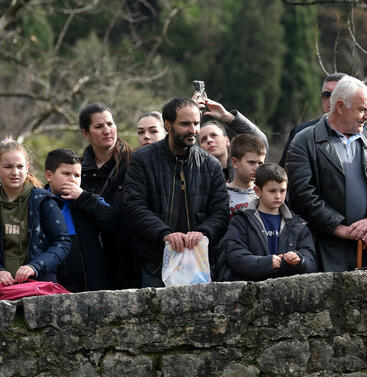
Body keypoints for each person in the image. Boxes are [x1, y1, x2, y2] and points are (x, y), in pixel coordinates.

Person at [286, 75, 367, 271]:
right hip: (321, 250)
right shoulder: (304, 140)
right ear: (339, 107)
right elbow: (302, 195)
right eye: (362, 109)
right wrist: (339, 228)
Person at [124, 97, 230, 287]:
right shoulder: (142, 159)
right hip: (155, 262)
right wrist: (164, 234)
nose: (193, 130)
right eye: (185, 124)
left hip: (199, 262)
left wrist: (203, 233)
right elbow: (134, 206)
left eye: (196, 123)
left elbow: (220, 211)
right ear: (168, 125)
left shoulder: (211, 165)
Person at [0, 140, 71, 286]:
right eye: (8, 167)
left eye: (20, 166)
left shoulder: (43, 201)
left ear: (27, 167)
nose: (15, 172)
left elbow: (62, 242)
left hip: (39, 285)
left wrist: (35, 267)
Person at [219, 163, 316, 281]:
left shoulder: (298, 224)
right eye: (272, 191)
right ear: (257, 190)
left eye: (282, 190)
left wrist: (300, 260)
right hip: (250, 293)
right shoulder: (241, 221)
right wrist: (266, 263)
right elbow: (235, 256)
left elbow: (311, 261)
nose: (278, 196)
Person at [78, 102, 138, 288]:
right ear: (86, 133)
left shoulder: (136, 164)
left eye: (110, 124)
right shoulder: (76, 171)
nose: (107, 130)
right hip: (93, 262)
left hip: (132, 260)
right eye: (99, 126)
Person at [44, 149, 117, 292]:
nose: (72, 179)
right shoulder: (39, 203)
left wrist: (83, 197)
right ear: (49, 176)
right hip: (54, 286)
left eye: (77, 175)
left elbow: (113, 220)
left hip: (92, 285)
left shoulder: (89, 200)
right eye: (66, 174)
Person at [280, 72, 349, 168]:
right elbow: (282, 177)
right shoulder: (301, 133)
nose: (331, 100)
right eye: (326, 94)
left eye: (336, 94)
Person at [196, 97, 268, 182]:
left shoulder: (244, 169)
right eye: (203, 139)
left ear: (227, 141)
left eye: (214, 135)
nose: (209, 140)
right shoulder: (196, 174)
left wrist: (227, 117)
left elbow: (260, 142)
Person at [226, 134, 267, 215]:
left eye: (260, 163)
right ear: (235, 162)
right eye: (251, 162)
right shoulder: (222, 194)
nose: (256, 168)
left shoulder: (265, 193)